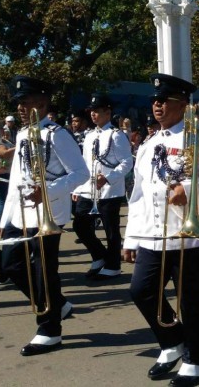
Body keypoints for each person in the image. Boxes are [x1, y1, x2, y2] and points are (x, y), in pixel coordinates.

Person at [122, 73, 199, 385]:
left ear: (182, 104)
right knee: (141, 290)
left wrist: (188, 186)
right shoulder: (148, 144)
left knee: (190, 299)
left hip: (190, 235)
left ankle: (197, 360)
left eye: (164, 100)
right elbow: (139, 193)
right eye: (155, 100)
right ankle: (172, 342)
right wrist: (131, 236)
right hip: (153, 233)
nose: (157, 105)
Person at [0, 75, 89, 356]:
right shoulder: (23, 134)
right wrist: (5, 219)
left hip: (49, 213)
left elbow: (81, 173)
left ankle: (49, 330)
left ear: (42, 102)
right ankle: (57, 304)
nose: (21, 109)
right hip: (21, 213)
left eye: (25, 103)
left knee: (43, 271)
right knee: (11, 265)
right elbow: (16, 179)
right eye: (19, 104)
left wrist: (48, 190)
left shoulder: (57, 134)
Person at [72, 94, 134, 280]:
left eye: (97, 111)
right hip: (88, 189)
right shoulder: (90, 135)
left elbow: (126, 162)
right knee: (80, 225)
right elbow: (85, 163)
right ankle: (99, 255)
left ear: (107, 112)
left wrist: (108, 177)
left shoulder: (116, 135)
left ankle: (113, 265)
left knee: (111, 230)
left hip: (109, 191)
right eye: (91, 112)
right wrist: (77, 187)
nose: (93, 115)